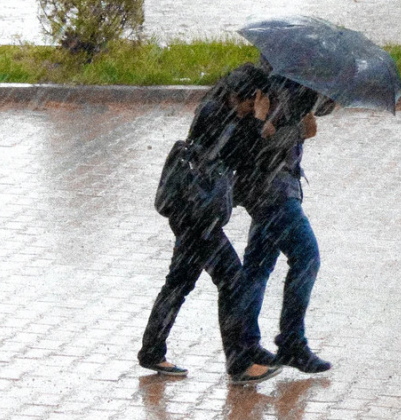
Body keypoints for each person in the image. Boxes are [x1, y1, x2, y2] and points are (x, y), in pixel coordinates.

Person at [138, 63, 282, 385]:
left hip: (190, 210)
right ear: (244, 96)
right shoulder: (218, 115)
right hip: (197, 216)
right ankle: (240, 363)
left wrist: (257, 125)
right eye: (254, 102)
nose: (254, 108)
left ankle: (152, 350)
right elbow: (242, 155)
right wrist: (259, 124)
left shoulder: (218, 109)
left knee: (179, 281)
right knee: (232, 280)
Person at [232, 63, 336, 374]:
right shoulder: (278, 83)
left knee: (257, 266)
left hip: (266, 188)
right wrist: (300, 131)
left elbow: (319, 108)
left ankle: (245, 344)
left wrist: (330, 89)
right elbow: (261, 143)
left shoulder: (296, 77)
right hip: (272, 190)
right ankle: (290, 342)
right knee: (306, 256)